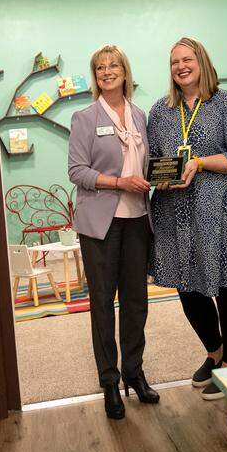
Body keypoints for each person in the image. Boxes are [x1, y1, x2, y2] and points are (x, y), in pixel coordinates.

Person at [148, 37, 227, 401]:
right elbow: (153, 159)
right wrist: (160, 177)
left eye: (187, 59)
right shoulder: (160, 111)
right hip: (176, 211)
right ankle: (213, 351)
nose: (181, 66)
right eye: (174, 62)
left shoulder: (224, 103)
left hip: (222, 209)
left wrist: (199, 162)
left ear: (201, 61)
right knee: (188, 284)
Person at [67, 45, 158, 420]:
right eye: (100, 67)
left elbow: (150, 165)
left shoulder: (140, 115)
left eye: (113, 65)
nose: (107, 71)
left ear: (125, 70)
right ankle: (109, 382)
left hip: (138, 220)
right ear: (95, 75)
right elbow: (77, 172)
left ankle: (134, 373)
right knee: (103, 305)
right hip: (100, 225)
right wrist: (119, 182)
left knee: (136, 302)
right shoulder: (84, 117)